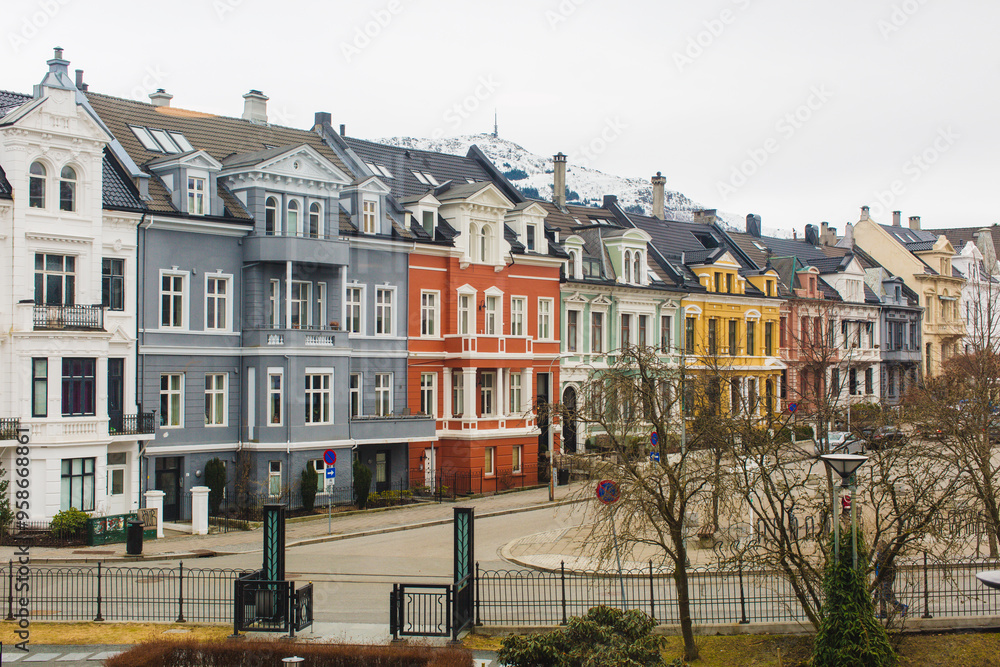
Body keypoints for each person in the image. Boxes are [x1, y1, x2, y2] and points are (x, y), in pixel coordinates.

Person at [873, 541, 908, 618]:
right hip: (882, 578)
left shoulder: (884, 555)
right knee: (880, 595)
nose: (876, 547)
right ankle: (883, 612)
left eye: (878, 545)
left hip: (885, 578)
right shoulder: (883, 554)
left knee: (886, 595)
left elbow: (882, 567)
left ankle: (901, 607)